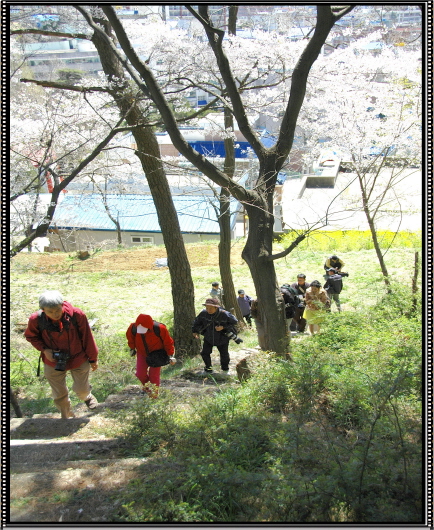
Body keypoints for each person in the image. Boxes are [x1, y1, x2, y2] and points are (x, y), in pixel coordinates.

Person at [24, 290, 99, 419]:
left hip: (78, 358)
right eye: (50, 312)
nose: (55, 314)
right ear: (43, 310)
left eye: (58, 310)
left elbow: (87, 338)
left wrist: (93, 359)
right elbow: (31, 336)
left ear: (62, 305)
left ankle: (87, 397)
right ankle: (66, 415)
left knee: (81, 389)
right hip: (53, 360)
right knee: (59, 394)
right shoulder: (36, 319)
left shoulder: (77, 315)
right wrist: (44, 350)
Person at [126, 314, 175, 398]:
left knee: (153, 376)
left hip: (157, 354)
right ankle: (148, 388)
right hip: (141, 353)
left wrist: (170, 355)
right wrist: (132, 348)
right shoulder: (133, 328)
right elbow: (130, 338)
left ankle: (154, 396)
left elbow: (168, 342)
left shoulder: (160, 328)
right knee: (140, 374)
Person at [192, 298, 238, 373]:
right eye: (207, 308)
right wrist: (194, 331)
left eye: (210, 308)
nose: (208, 310)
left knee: (224, 354)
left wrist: (223, 327)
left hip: (222, 338)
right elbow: (196, 322)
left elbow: (234, 322)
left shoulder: (224, 314)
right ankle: (208, 368)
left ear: (216, 307)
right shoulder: (203, 313)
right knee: (205, 353)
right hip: (208, 337)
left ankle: (225, 369)